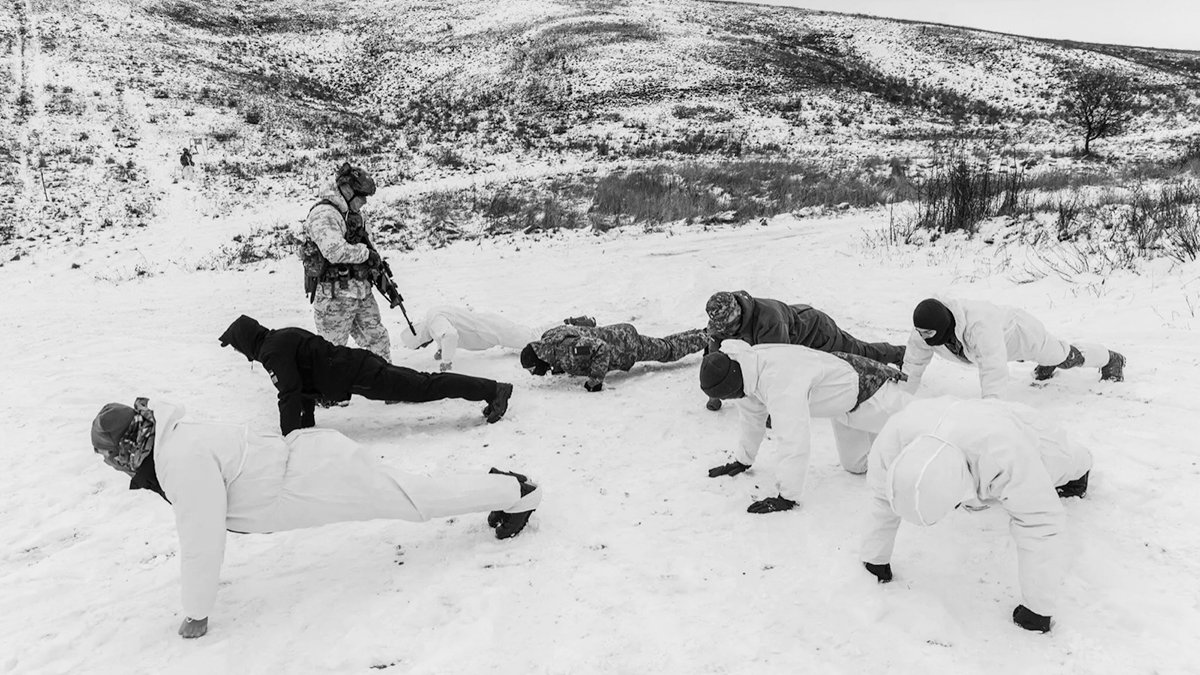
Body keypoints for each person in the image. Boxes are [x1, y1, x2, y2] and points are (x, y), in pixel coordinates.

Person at [90, 397, 541, 639]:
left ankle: (514, 491)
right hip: (309, 469)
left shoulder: (180, 461)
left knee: (417, 500)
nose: (111, 465)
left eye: (109, 456)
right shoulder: (174, 440)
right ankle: (501, 485)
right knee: (415, 494)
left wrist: (196, 613)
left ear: (130, 443)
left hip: (316, 480)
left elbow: (202, 539)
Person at [860, 396, 1091, 633]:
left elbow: (1040, 522)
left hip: (1015, 422)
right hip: (947, 414)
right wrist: (875, 559)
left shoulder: (1006, 452)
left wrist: (1037, 608)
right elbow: (882, 496)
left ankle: (1081, 470)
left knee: (1062, 462)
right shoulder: (894, 438)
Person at [701, 340, 912, 513]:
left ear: (734, 384)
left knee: (918, 438)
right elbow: (751, 418)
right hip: (842, 408)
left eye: (730, 396)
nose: (732, 400)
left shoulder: (779, 381)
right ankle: (883, 443)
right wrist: (743, 459)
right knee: (855, 465)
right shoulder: (744, 369)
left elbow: (793, 440)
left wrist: (787, 497)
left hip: (873, 391)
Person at [219, 315, 513, 434]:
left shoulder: (272, 351)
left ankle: (493, 390)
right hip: (359, 366)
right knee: (424, 384)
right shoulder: (280, 337)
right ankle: (490, 389)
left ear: (245, 342)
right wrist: (305, 427)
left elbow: (290, 391)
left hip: (360, 375)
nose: (237, 352)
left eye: (235, 347)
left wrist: (289, 437)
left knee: (424, 386)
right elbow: (304, 382)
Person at [703, 291, 905, 410]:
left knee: (857, 354)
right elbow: (715, 356)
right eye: (721, 327)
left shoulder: (769, 320)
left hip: (816, 331)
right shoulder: (722, 322)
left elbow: (778, 369)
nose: (725, 332)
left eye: (728, 326)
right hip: (793, 332)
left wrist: (775, 411)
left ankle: (899, 354)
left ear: (738, 313)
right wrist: (715, 394)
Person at [903, 297, 1125, 399]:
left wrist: (992, 410)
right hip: (1000, 346)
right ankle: (1047, 364)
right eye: (921, 333)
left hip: (1020, 334)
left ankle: (1110, 358)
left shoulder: (979, 325)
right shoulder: (923, 333)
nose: (924, 338)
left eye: (928, 334)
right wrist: (897, 403)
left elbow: (993, 370)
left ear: (942, 326)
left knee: (1063, 355)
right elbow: (912, 366)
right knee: (1052, 358)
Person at [301, 162, 393, 361]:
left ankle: (386, 382)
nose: (364, 202)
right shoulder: (324, 214)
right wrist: (366, 254)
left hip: (360, 290)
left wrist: (377, 267)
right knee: (330, 352)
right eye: (362, 196)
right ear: (346, 190)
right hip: (334, 295)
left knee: (378, 339)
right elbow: (334, 252)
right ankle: (328, 390)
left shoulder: (351, 215)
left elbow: (366, 244)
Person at [399, 306, 596, 372]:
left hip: (489, 331)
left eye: (421, 345)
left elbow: (450, 334)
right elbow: (448, 330)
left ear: (420, 336)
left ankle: (573, 324)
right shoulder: (433, 316)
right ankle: (569, 323)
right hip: (486, 326)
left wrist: (446, 361)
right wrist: (442, 349)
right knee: (529, 333)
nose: (424, 345)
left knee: (532, 338)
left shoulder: (434, 323)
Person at [520, 322, 707, 392]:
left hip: (625, 346)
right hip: (618, 334)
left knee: (667, 352)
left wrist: (595, 380)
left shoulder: (568, 351)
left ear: (539, 359)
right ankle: (700, 333)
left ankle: (705, 337)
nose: (533, 373)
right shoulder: (548, 340)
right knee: (664, 345)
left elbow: (600, 349)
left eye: (532, 369)